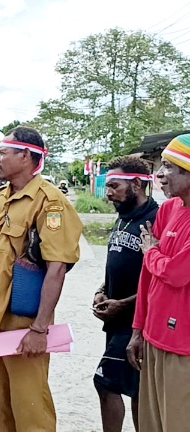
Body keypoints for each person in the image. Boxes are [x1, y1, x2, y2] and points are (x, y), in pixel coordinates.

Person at [0, 126, 83, 431]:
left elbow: (57, 268)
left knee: (30, 410)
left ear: (26, 156)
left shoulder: (49, 202)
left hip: (22, 326)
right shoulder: (1, 198)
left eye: (4, 153)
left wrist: (40, 329)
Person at [127, 134, 190, 432]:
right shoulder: (169, 209)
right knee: (151, 423)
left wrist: (151, 251)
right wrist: (138, 329)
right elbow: (149, 276)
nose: (160, 175)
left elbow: (178, 273)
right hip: (153, 335)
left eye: (168, 166)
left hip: (183, 346)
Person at [92, 157, 158, 432]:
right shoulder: (122, 219)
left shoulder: (156, 220)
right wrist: (102, 291)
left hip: (138, 321)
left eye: (115, 186)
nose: (108, 193)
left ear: (138, 184)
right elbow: (119, 265)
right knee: (133, 387)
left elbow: (157, 279)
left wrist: (125, 304)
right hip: (117, 318)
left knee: (105, 380)